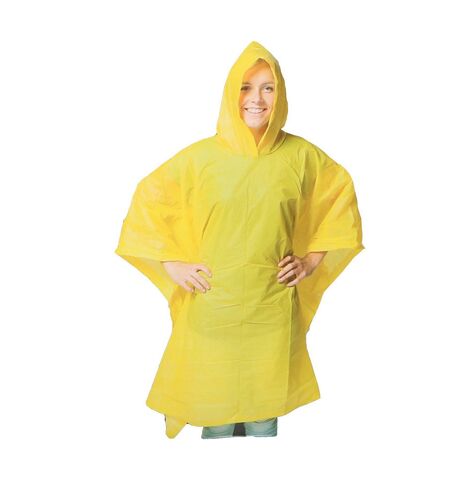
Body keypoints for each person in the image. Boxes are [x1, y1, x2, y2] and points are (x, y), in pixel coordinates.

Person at [115, 40, 365, 440]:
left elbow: (338, 197)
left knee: (263, 420)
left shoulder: (302, 157)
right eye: (246, 87)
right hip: (214, 308)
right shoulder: (199, 158)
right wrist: (172, 264)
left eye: (268, 88)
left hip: (271, 309)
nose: (257, 99)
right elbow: (150, 200)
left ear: (281, 94)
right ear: (231, 92)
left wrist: (311, 261)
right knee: (215, 419)